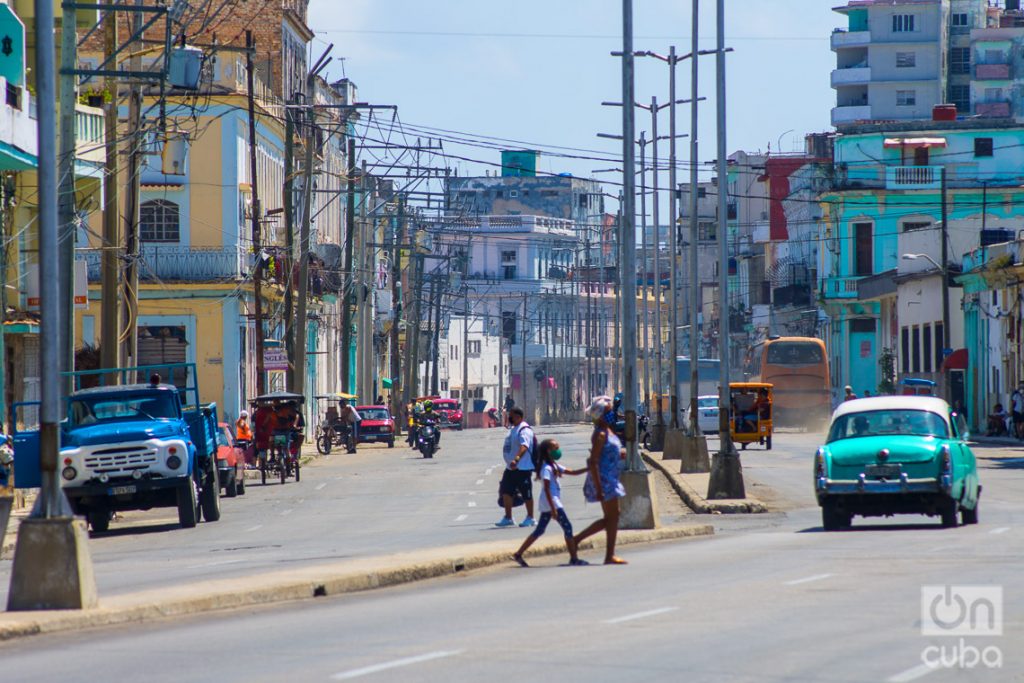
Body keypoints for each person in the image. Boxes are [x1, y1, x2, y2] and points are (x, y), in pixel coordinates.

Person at [512, 439, 587, 567]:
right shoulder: (546, 468)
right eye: (555, 447)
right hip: (552, 501)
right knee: (567, 528)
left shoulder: (553, 465)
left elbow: (572, 472)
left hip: (548, 502)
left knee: (540, 530)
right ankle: (574, 558)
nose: (558, 450)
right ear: (548, 451)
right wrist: (553, 509)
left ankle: (518, 554)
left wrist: (589, 468)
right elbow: (546, 488)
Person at [573, 396, 628, 565]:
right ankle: (578, 540)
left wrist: (620, 454)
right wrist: (598, 487)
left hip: (611, 477)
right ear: (602, 415)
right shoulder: (601, 434)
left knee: (613, 516)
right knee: (612, 516)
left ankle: (608, 553)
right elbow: (593, 461)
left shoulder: (608, 431)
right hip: (604, 480)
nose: (612, 414)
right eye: (609, 411)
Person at [496, 406, 536, 528]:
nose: (509, 418)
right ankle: (508, 517)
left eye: (511, 416)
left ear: (518, 417)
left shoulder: (524, 430)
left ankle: (531, 518)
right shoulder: (514, 429)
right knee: (506, 492)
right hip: (510, 468)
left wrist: (516, 459)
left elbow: (524, 446)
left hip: (522, 468)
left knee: (526, 493)